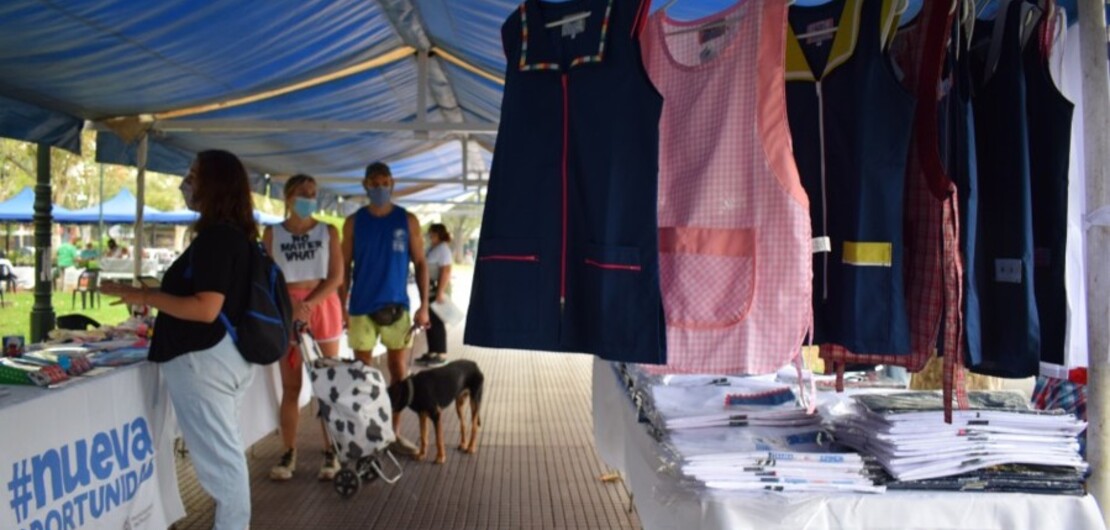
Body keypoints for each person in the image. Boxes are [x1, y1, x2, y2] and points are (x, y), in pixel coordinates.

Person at [102, 150, 256, 530]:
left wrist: (144, 296)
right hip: (226, 357)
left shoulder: (216, 239)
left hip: (204, 360)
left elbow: (206, 308)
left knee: (224, 468)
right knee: (227, 458)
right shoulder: (236, 236)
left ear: (213, 184)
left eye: (193, 176)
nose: (185, 184)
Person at [341, 161, 430, 457]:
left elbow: (421, 263)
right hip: (361, 307)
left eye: (384, 183)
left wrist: (424, 306)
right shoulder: (353, 223)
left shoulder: (407, 220)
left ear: (392, 184)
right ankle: (367, 432)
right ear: (365, 185)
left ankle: (393, 432)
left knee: (398, 371)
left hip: (397, 307)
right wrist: (342, 306)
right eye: (374, 183)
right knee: (362, 373)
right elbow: (343, 266)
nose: (380, 188)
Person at [263, 174, 344, 481]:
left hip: (322, 306)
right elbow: (268, 277)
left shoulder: (328, 231)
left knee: (328, 384)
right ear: (288, 197)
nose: (309, 197)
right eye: (302, 192)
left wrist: (307, 306)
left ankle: (331, 450)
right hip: (286, 307)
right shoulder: (272, 233)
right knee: (291, 387)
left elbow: (336, 277)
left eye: (312, 192)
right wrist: (293, 307)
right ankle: (288, 451)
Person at [416, 223, 453, 366]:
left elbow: (446, 271)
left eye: (433, 233)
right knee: (429, 321)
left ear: (440, 234)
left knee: (437, 322)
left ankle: (440, 354)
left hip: (437, 289)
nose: (430, 236)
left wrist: (440, 292)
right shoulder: (432, 248)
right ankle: (432, 351)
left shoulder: (443, 249)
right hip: (429, 290)